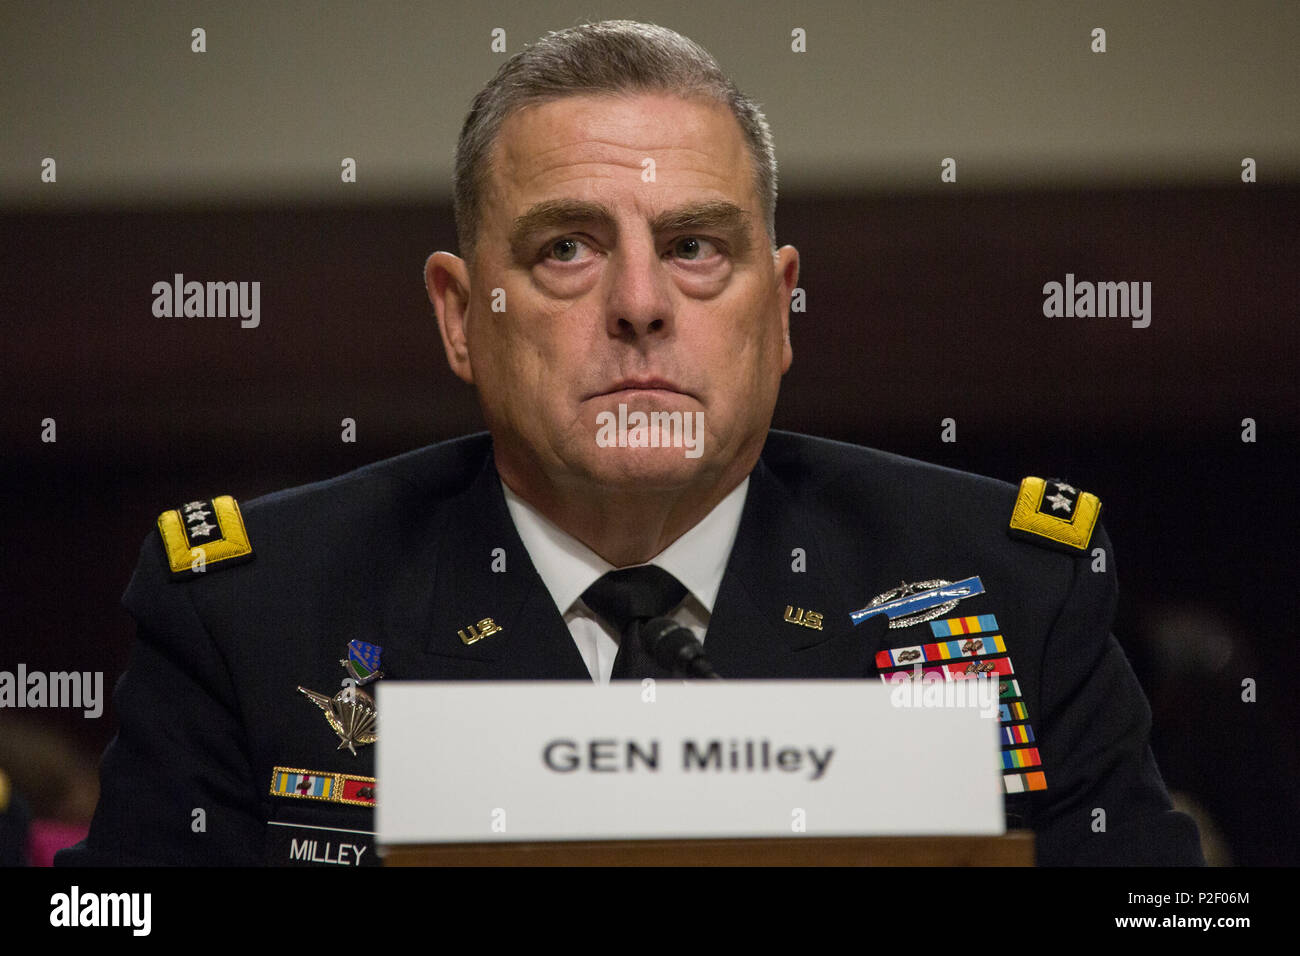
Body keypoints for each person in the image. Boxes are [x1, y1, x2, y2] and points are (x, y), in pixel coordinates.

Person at [57, 20, 1202, 867]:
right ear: (460, 316)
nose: (641, 304)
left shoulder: (1009, 585)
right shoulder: (254, 611)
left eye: (696, 246)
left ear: (780, 308)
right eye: (566, 248)